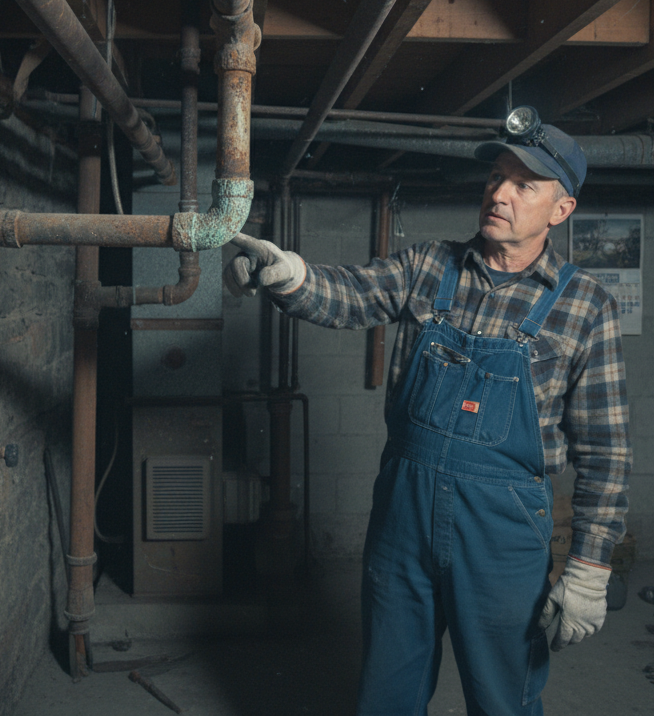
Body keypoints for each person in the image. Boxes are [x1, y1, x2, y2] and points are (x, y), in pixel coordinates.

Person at [223, 119, 631, 716]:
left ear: (561, 208)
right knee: (388, 689)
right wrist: (290, 275)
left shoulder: (586, 306)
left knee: (503, 697)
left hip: (503, 535)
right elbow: (352, 293)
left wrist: (591, 565)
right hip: (403, 520)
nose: (499, 194)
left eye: (524, 186)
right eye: (497, 177)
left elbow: (607, 450)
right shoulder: (428, 267)